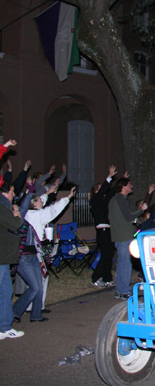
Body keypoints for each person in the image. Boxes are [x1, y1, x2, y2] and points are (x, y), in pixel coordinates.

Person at [13, 185, 75, 323]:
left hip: (34, 255)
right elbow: (53, 210)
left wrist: (47, 193)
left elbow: (41, 200)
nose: (42, 201)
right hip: (26, 257)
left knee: (39, 284)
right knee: (35, 286)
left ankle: (36, 314)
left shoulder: (30, 213)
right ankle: (16, 311)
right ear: (33, 204)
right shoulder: (35, 215)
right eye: (39, 201)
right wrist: (67, 198)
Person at [0, 145, 25, 339]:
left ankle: (4, 326)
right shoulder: (3, 207)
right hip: (1, 257)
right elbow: (16, 224)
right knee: (4, 291)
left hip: (4, 257)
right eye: (12, 192)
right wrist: (16, 214)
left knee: (6, 290)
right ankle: (4, 326)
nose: (13, 195)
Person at [108, 178, 144, 300]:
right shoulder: (120, 199)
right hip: (124, 236)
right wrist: (141, 210)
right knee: (126, 264)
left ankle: (120, 290)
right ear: (123, 186)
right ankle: (124, 291)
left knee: (122, 264)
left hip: (119, 236)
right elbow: (128, 216)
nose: (131, 186)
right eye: (129, 184)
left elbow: (118, 217)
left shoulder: (114, 200)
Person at [90, 166, 118, 288]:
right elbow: (103, 191)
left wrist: (121, 182)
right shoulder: (95, 199)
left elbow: (110, 192)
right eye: (100, 188)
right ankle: (95, 277)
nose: (103, 191)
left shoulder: (103, 200)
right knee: (106, 254)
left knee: (109, 253)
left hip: (108, 229)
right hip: (102, 230)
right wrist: (109, 177)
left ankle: (107, 278)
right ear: (96, 191)